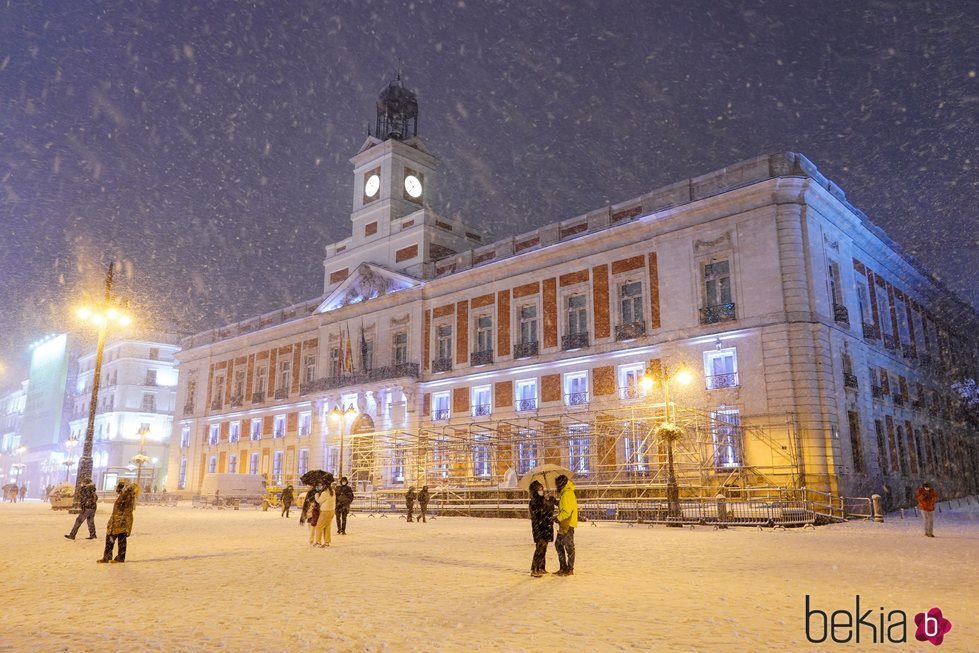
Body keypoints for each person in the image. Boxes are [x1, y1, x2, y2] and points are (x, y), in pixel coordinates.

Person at [99, 478, 136, 563]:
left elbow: (128, 510)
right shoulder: (122, 495)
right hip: (114, 520)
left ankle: (120, 557)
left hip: (121, 521)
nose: (118, 487)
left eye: (120, 485)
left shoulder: (127, 495)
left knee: (121, 539)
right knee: (110, 538)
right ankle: (107, 557)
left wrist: (124, 521)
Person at [528, 480, 555, 577]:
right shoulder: (534, 502)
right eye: (539, 489)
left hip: (545, 526)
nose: (541, 491)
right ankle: (535, 568)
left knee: (544, 548)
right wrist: (550, 503)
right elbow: (542, 512)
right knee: (540, 548)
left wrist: (549, 501)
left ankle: (541, 567)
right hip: (540, 527)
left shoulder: (542, 500)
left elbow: (547, 510)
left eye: (542, 489)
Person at [553, 475, 578, 576]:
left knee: (569, 547)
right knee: (559, 545)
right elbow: (565, 506)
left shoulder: (567, 493)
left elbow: (567, 512)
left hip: (567, 524)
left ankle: (569, 569)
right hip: (564, 524)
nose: (556, 486)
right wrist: (556, 502)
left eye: (557, 484)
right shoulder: (565, 493)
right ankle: (563, 568)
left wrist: (558, 518)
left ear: (561, 484)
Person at [312, 476, 336, 548]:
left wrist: (316, 495)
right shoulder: (333, 491)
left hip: (325, 511)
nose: (320, 486)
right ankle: (327, 542)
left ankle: (318, 542)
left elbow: (319, 501)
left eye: (321, 485)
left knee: (319, 526)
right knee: (327, 526)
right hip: (331, 511)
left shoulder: (325, 493)